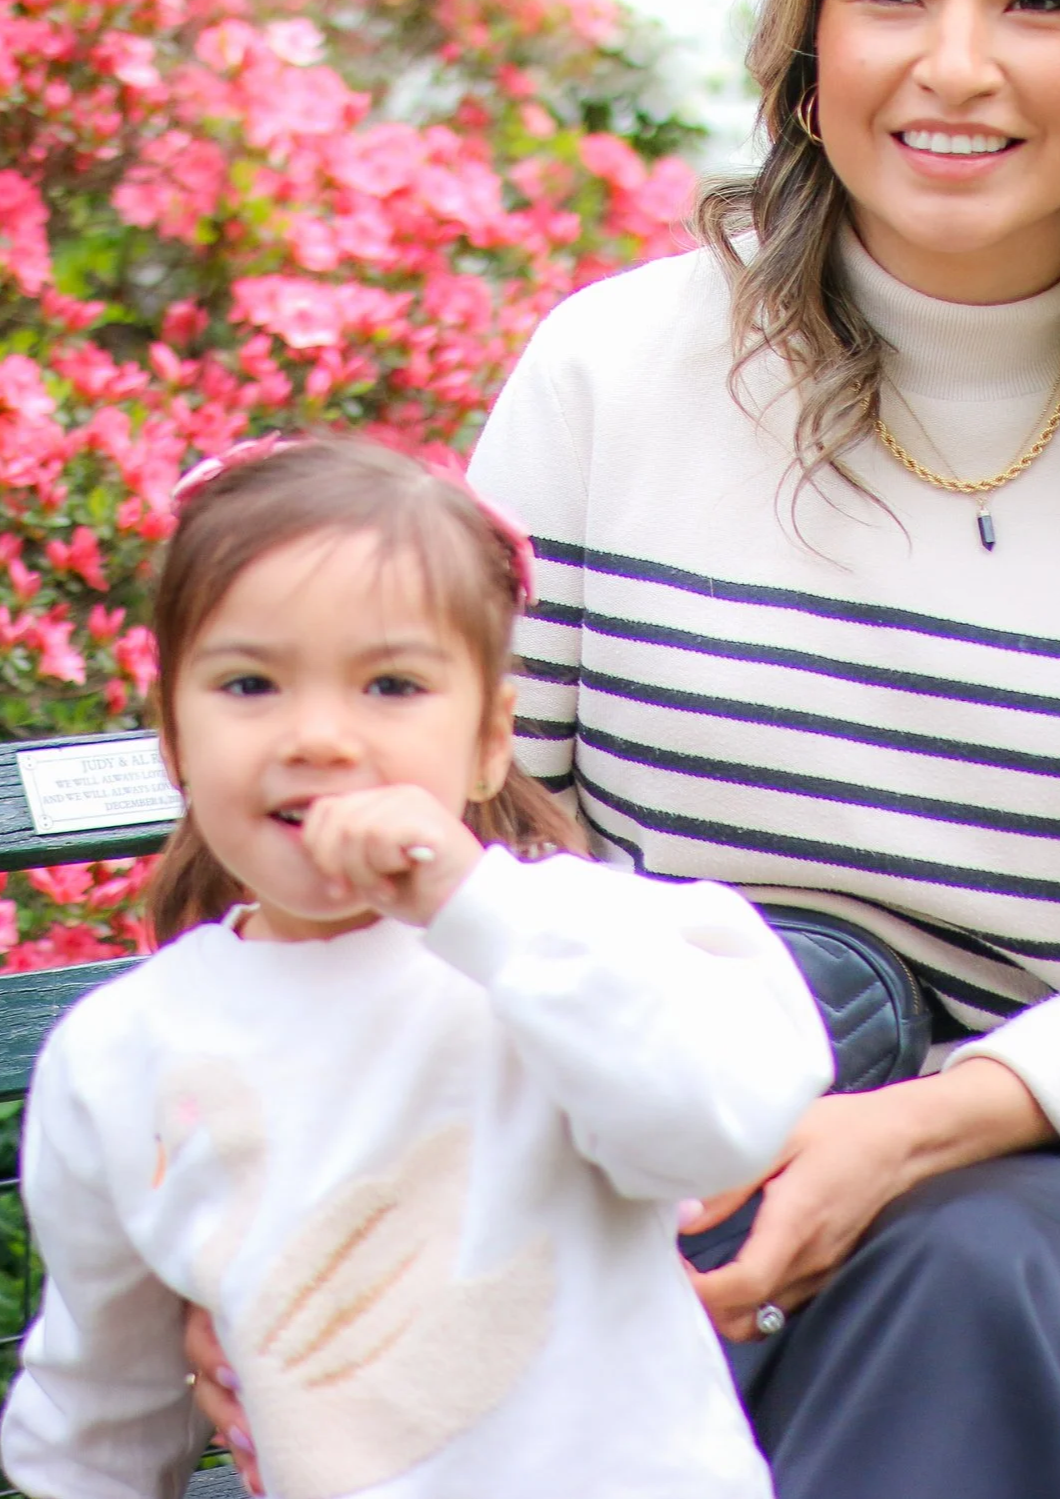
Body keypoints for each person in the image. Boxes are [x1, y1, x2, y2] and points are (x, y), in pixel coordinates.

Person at [190, 0, 1060, 1497]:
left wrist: (896, 1132)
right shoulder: (619, 370)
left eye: (1038, 1)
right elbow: (475, 811)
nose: (952, 63)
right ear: (811, 52)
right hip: (636, 1129)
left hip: (1032, 1155)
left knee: (965, 1277)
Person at [0, 436, 832, 1499]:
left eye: (391, 683)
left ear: (490, 737)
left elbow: (715, 1123)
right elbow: (101, 1400)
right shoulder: (123, 1054)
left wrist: (473, 906)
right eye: (249, 682)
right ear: (173, 735)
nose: (319, 735)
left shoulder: (565, 939)